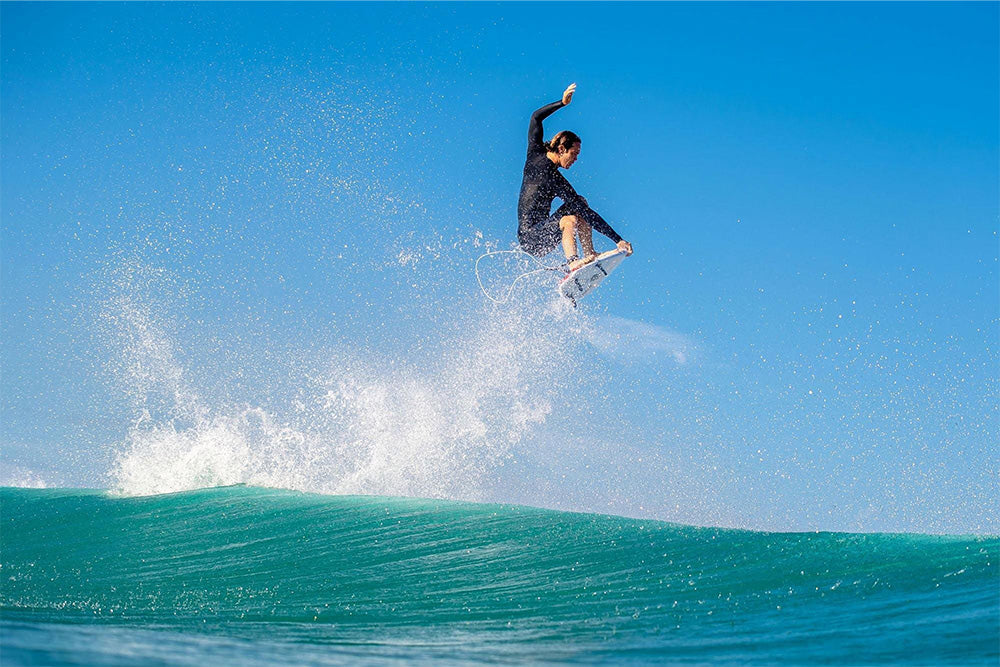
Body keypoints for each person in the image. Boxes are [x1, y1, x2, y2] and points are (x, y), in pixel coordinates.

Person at [517, 83, 633, 271]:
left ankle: (589, 254)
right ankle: (573, 262)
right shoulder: (535, 155)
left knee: (580, 203)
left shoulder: (557, 180)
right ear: (561, 149)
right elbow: (535, 117)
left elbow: (587, 214)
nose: (576, 159)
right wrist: (562, 103)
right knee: (569, 220)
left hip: (546, 233)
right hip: (529, 238)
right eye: (574, 153)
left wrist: (618, 240)